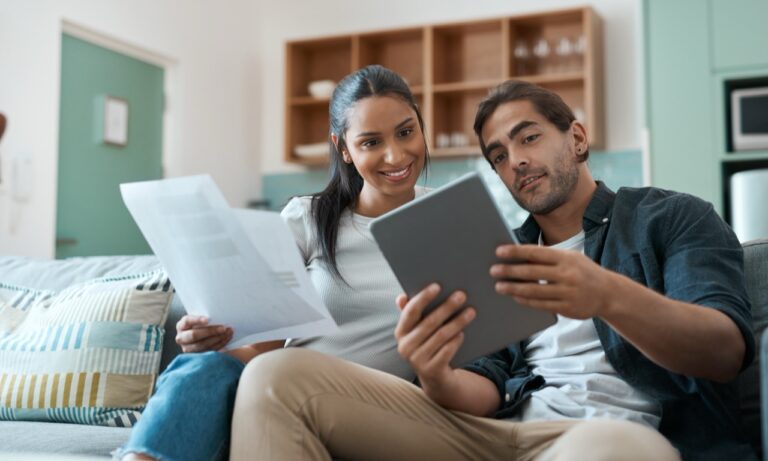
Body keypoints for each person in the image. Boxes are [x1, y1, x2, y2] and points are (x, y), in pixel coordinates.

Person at [229, 80, 756, 461]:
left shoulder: (668, 217)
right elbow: (483, 387)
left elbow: (724, 351)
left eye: (529, 138)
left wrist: (606, 295)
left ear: (576, 138)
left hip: (610, 439)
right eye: (498, 155)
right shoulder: (498, 250)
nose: (516, 162)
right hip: (494, 437)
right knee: (274, 377)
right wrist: (435, 375)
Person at [117, 64, 431, 461]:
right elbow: (258, 353)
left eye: (406, 132)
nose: (395, 154)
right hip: (277, 392)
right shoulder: (309, 219)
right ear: (344, 149)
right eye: (371, 142)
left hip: (371, 412)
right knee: (205, 368)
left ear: (421, 126)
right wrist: (213, 342)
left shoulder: (449, 216)